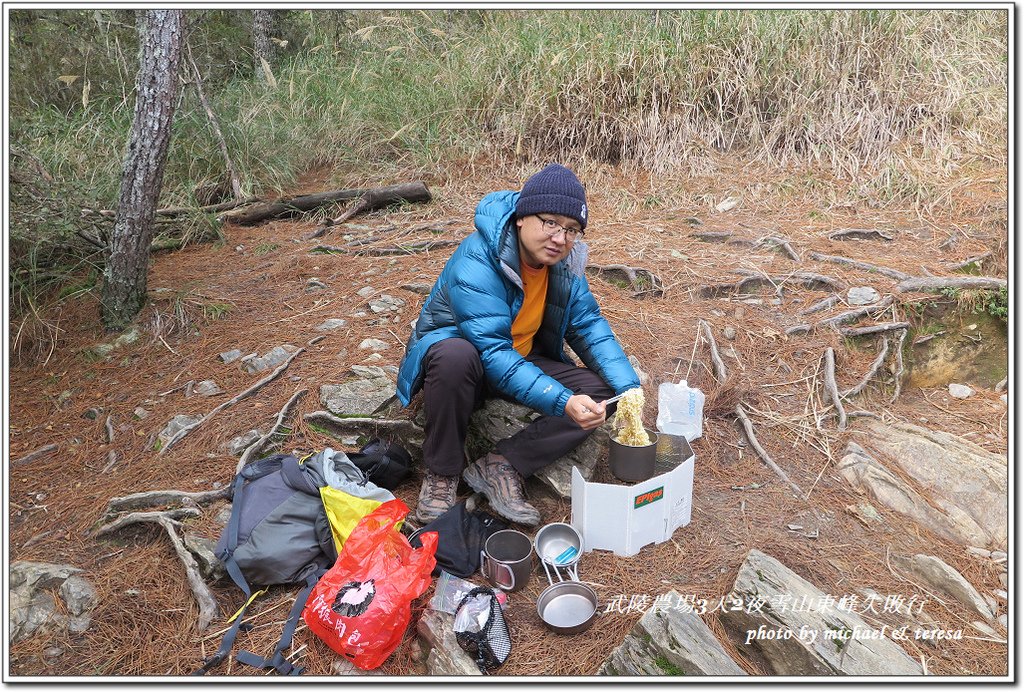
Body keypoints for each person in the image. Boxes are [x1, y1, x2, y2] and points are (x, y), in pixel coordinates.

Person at [396, 163, 640, 526]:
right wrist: (562, 400)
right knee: (455, 356)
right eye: (551, 222)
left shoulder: (564, 267)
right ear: (522, 218)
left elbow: (588, 325)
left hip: (519, 359)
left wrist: (629, 388)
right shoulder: (479, 258)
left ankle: (501, 465)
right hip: (466, 365)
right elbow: (492, 351)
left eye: (572, 229)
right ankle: (442, 474)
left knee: (605, 394)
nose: (560, 237)